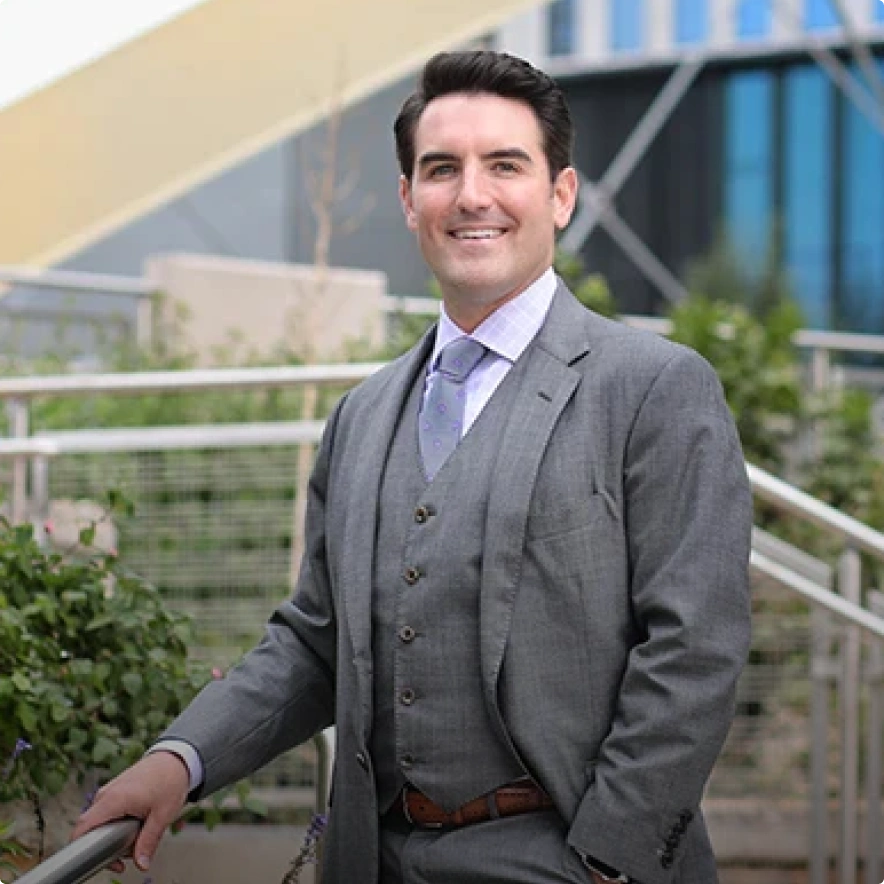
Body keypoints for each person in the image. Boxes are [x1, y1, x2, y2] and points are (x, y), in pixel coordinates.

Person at [74, 50, 752, 884]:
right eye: (442, 169)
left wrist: (608, 861)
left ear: (560, 195)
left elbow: (695, 648)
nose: (472, 195)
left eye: (505, 164)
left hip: (572, 859)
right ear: (408, 200)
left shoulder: (654, 388)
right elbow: (313, 646)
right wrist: (179, 761)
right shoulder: (362, 416)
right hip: (377, 861)